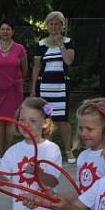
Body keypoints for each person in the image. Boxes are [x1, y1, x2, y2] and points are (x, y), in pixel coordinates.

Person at [30, 11, 76, 163]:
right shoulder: (41, 44)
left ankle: (68, 151)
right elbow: (36, 68)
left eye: (57, 23)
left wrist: (61, 44)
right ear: (47, 25)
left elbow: (69, 61)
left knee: (63, 120)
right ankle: (49, 152)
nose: (54, 26)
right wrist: (33, 89)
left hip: (61, 87)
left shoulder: (68, 42)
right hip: (45, 88)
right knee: (47, 119)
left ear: (62, 26)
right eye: (51, 23)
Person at [0, 20, 28, 160]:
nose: (5, 31)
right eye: (2, 29)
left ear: (12, 32)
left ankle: (9, 153)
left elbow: (25, 69)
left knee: (11, 121)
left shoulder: (20, 48)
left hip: (13, 89)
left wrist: (16, 80)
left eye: (8, 29)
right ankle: (1, 153)